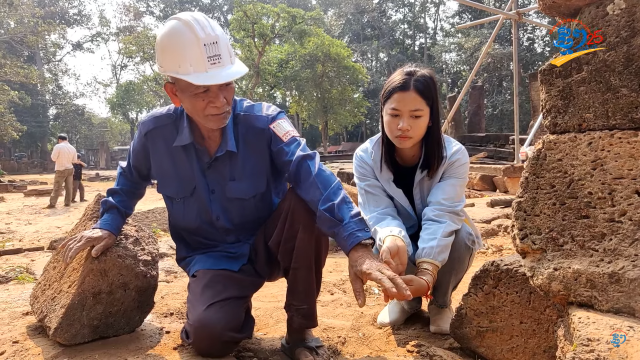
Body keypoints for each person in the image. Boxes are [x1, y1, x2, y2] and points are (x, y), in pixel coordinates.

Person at [59, 12, 411, 360]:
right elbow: (130, 179)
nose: (220, 100)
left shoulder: (265, 123)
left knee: (306, 204)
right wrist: (108, 224)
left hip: (270, 244)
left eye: (226, 84)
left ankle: (299, 330)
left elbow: (312, 174)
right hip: (212, 257)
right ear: (174, 93)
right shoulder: (155, 133)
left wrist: (358, 246)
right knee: (210, 340)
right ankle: (218, 311)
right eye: (203, 91)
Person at [353, 65, 483, 335]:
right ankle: (406, 300)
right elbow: (377, 211)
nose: (403, 125)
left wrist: (426, 274)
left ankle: (440, 303)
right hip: (399, 234)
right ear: (382, 113)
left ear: (431, 117)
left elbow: (442, 213)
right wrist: (391, 237)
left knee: (461, 237)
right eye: (394, 114)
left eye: (415, 115)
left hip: (442, 231)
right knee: (381, 239)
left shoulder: (453, 155)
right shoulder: (366, 156)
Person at [48, 134, 77, 208]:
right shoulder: (72, 148)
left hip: (61, 169)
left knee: (57, 187)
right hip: (70, 169)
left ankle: (52, 203)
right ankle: (67, 203)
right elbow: (74, 160)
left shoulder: (58, 146)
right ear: (67, 139)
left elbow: (53, 158)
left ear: (59, 140)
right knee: (69, 187)